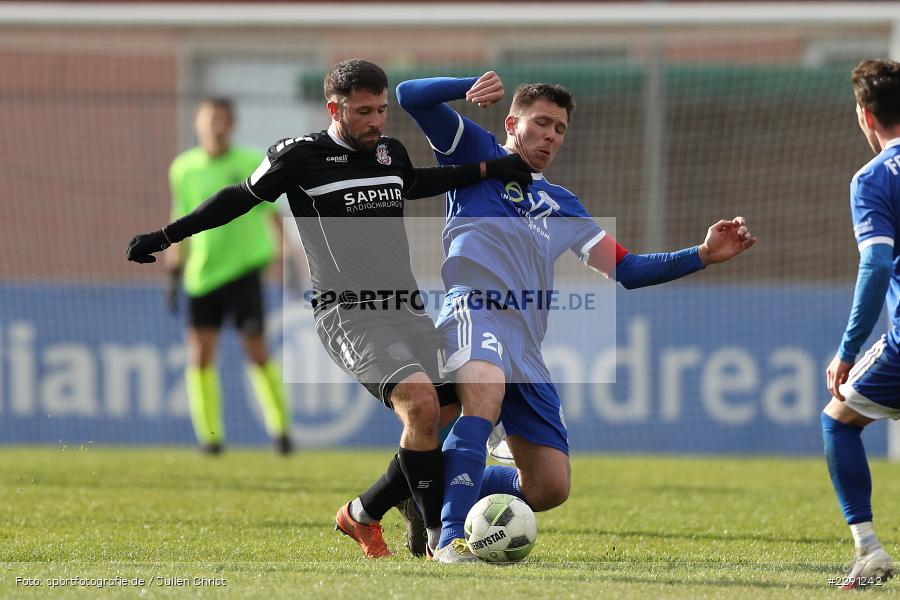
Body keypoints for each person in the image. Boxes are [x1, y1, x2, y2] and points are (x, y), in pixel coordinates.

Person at [127, 59, 533, 558]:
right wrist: (167, 236)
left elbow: (419, 182)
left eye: (382, 110)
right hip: (348, 314)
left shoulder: (389, 151)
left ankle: (363, 512)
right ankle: (438, 540)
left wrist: (490, 168)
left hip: (405, 307)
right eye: (364, 112)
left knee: (443, 416)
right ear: (334, 109)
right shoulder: (297, 156)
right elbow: (238, 198)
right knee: (421, 405)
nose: (376, 121)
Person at [396, 71, 757, 562]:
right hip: (473, 307)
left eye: (559, 129)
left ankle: (428, 481)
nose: (550, 135)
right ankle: (449, 536)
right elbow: (409, 96)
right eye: (541, 123)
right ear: (512, 123)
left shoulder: (562, 204)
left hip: (525, 341)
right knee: (483, 395)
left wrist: (702, 254)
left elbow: (626, 269)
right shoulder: (474, 151)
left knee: (549, 486)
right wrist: (468, 84)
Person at [167, 97, 293, 455]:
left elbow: (271, 212)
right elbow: (180, 218)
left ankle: (281, 431)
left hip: (243, 270)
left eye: (221, 120)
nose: (214, 126)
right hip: (201, 276)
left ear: (231, 124)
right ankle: (210, 439)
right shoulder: (184, 168)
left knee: (256, 351)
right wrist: (174, 268)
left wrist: (288, 256)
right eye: (209, 120)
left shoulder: (249, 161)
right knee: (200, 356)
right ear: (197, 123)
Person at [821, 58, 899, 589]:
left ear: (865, 116)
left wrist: (847, 349)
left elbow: (875, 266)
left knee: (837, 418)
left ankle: (869, 550)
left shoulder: (873, 178)